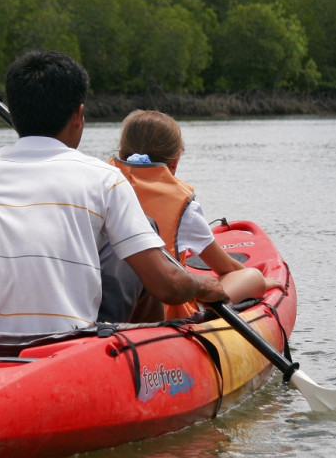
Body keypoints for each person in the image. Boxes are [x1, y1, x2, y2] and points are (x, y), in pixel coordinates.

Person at [0, 51, 228, 343]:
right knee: (144, 228)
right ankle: (149, 351)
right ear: (79, 115)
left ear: (15, 115)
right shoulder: (104, 179)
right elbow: (168, 286)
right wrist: (204, 287)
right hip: (61, 345)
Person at [107, 109, 284, 322]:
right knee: (252, 277)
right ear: (175, 160)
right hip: (166, 315)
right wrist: (263, 284)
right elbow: (226, 267)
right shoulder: (184, 207)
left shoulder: (101, 185)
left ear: (121, 151)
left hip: (109, 307)